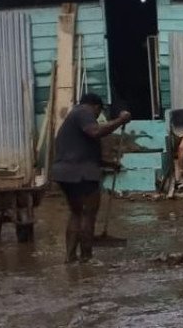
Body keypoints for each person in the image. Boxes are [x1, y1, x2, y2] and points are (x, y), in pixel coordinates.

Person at [51, 93, 130, 263]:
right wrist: (120, 120)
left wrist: (108, 163)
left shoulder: (73, 118)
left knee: (76, 213)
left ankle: (70, 257)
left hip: (65, 173)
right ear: (95, 106)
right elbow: (96, 132)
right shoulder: (84, 112)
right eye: (99, 112)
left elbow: (80, 151)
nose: (97, 116)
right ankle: (86, 258)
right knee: (88, 214)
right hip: (82, 174)